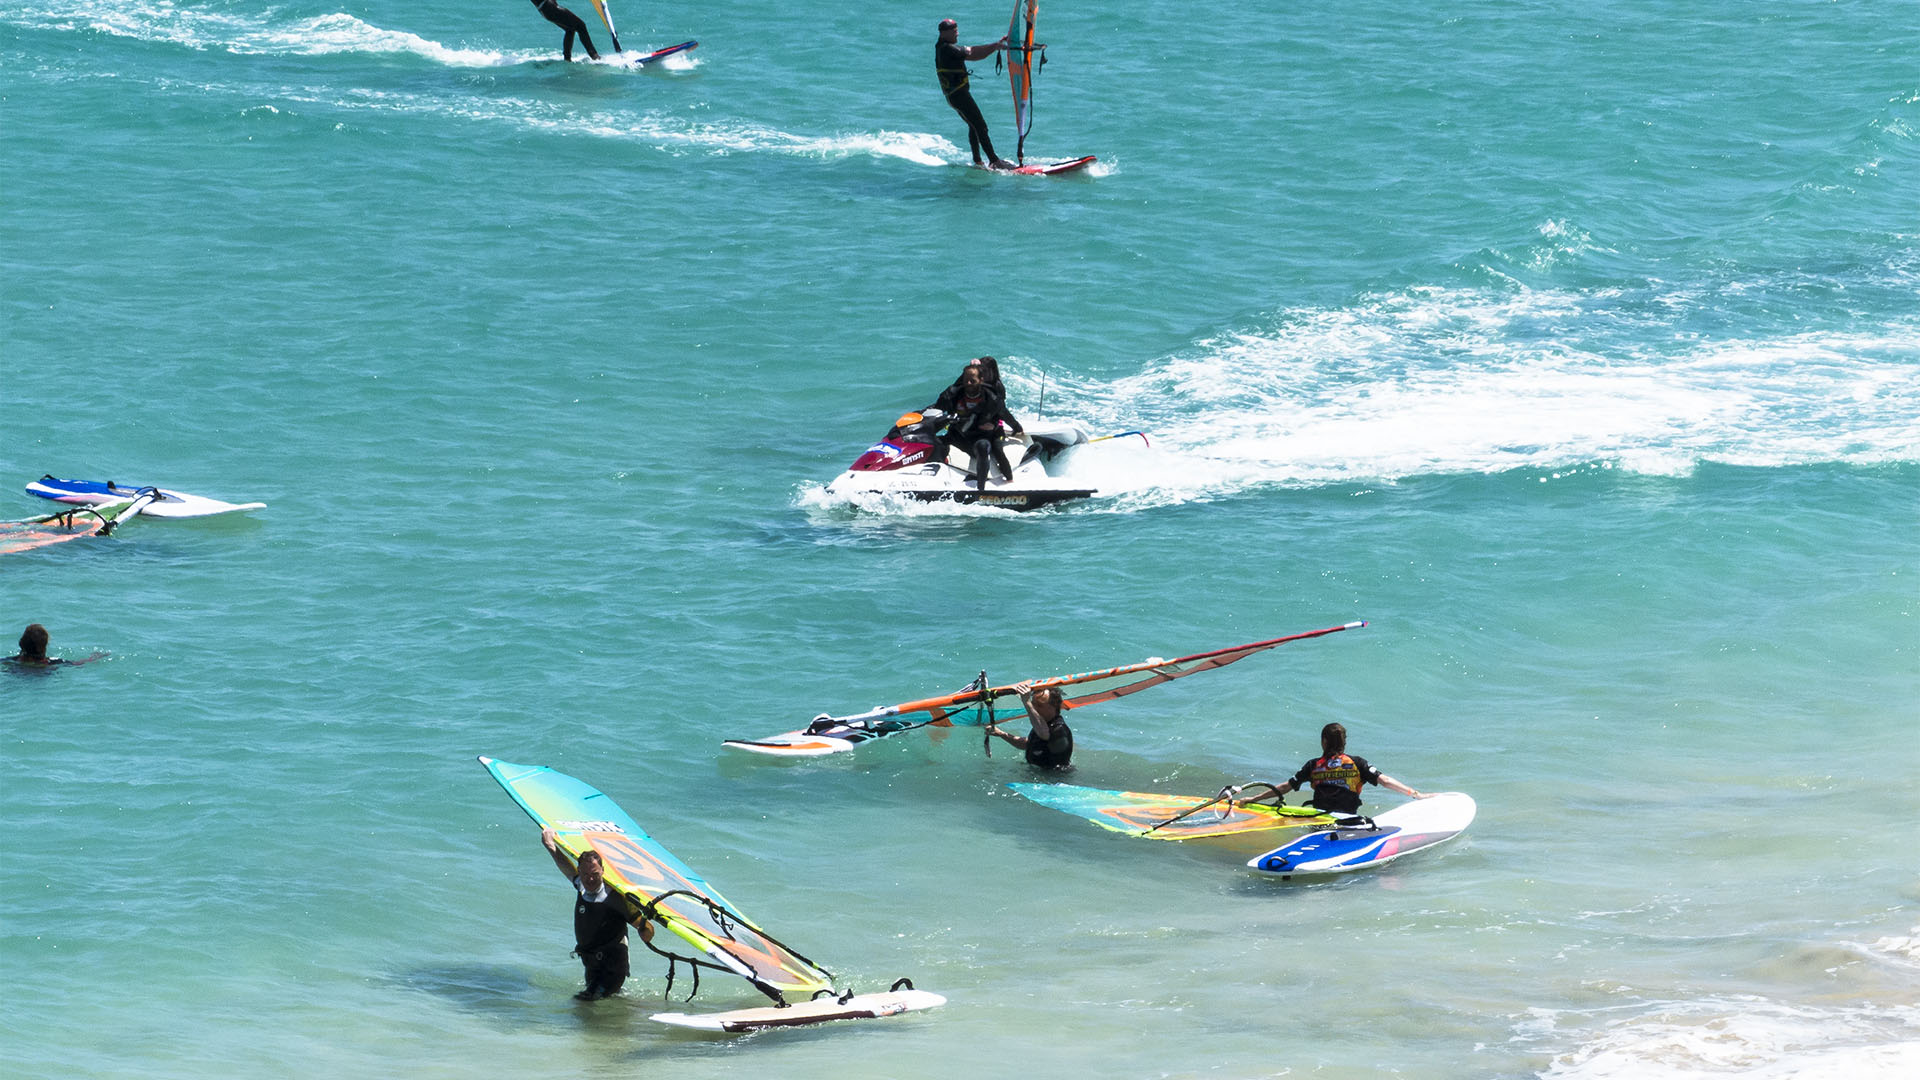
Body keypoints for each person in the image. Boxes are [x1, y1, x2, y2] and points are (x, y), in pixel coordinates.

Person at [541, 826, 653, 1000]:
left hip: (613, 964)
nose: (590, 879)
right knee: (597, 1004)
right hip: (592, 963)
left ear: (602, 871)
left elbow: (647, 932)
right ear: (580, 872)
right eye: (585, 874)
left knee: (586, 1001)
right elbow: (567, 868)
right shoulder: (581, 886)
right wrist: (550, 846)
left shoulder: (615, 897)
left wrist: (645, 922)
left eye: (594, 874)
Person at [1271, 723, 1426, 815]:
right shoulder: (1357, 763)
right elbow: (1385, 781)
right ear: (1344, 742)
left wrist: (1252, 799)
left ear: (1324, 741)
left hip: (1320, 822)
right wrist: (1416, 794)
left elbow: (1285, 787)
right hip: (1349, 822)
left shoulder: (1313, 765)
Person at [934, 18, 1008, 168]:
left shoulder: (943, 47)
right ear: (944, 33)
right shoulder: (947, 49)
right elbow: (974, 53)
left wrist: (995, 45)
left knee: (973, 125)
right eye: (954, 32)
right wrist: (995, 46)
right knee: (981, 127)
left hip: (954, 96)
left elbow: (973, 51)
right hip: (959, 96)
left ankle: (978, 161)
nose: (958, 34)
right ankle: (995, 161)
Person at [941, 366, 1025, 488]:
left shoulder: (992, 398)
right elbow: (938, 407)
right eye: (966, 380)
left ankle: (983, 489)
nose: (968, 384)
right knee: (934, 441)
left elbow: (1005, 414)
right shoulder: (954, 394)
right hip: (959, 434)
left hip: (981, 436)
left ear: (981, 380)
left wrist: (1017, 427)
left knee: (985, 447)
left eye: (972, 381)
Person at [988, 680, 1073, 768]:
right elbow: (1028, 744)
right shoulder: (1042, 724)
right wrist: (1001, 734)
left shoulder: (1059, 728)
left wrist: (1027, 702)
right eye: (1033, 705)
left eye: (1039, 705)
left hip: (1056, 778)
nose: (1034, 709)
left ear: (1054, 706)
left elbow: (1043, 733)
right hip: (1038, 773)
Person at [527, 0, 601, 62]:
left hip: (546, 10)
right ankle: (595, 56)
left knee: (570, 29)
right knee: (580, 26)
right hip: (551, 8)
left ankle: (567, 59)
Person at [3, 624, 104, 667]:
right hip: (42, 676)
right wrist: (94, 658)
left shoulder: (10, 661)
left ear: (22, 643)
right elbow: (78, 664)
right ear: (45, 645)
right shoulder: (53, 663)